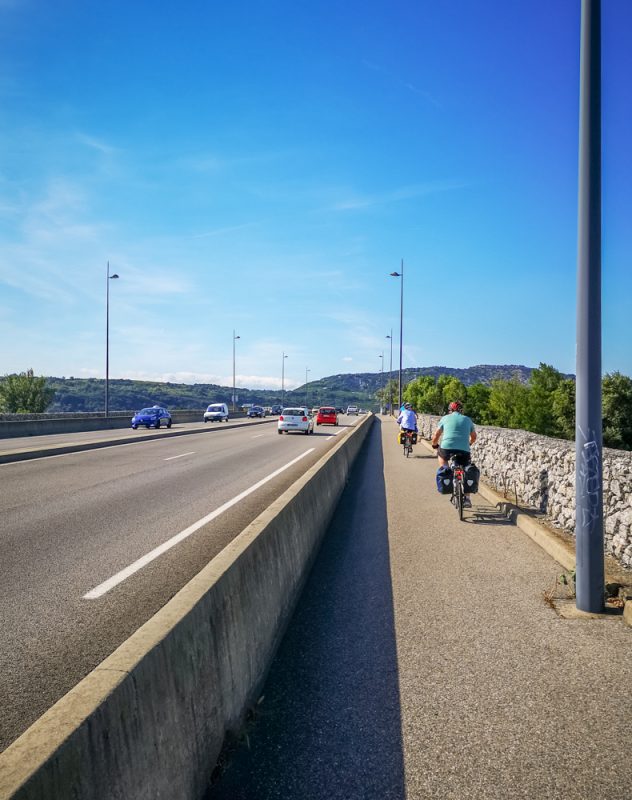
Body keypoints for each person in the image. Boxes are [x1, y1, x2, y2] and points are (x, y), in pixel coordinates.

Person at [431, 401, 477, 507]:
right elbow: (474, 437)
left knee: (442, 456)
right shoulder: (467, 419)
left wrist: (434, 445)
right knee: (466, 469)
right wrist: (469, 443)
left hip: (446, 448)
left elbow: (436, 435)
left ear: (450, 410)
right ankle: (467, 499)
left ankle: (447, 471)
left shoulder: (445, 418)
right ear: (461, 410)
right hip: (464, 450)